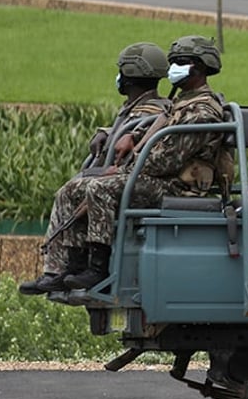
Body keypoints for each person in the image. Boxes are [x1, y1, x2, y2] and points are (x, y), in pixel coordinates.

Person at [63, 36, 230, 291]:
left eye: (181, 63)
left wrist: (120, 171)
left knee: (101, 188)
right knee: (75, 188)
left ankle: (97, 270)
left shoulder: (202, 111)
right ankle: (72, 266)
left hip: (178, 187)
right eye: (173, 62)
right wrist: (131, 136)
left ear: (200, 68)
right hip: (159, 179)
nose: (173, 68)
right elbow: (157, 129)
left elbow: (166, 160)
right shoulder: (180, 103)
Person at [18, 43, 172, 296]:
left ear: (129, 75)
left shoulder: (152, 108)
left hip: (135, 176)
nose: (119, 78)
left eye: (122, 72)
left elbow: (143, 133)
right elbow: (132, 129)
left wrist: (121, 136)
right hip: (125, 173)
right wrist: (107, 131)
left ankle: (90, 268)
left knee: (90, 188)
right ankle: (63, 269)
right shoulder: (138, 107)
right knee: (68, 191)